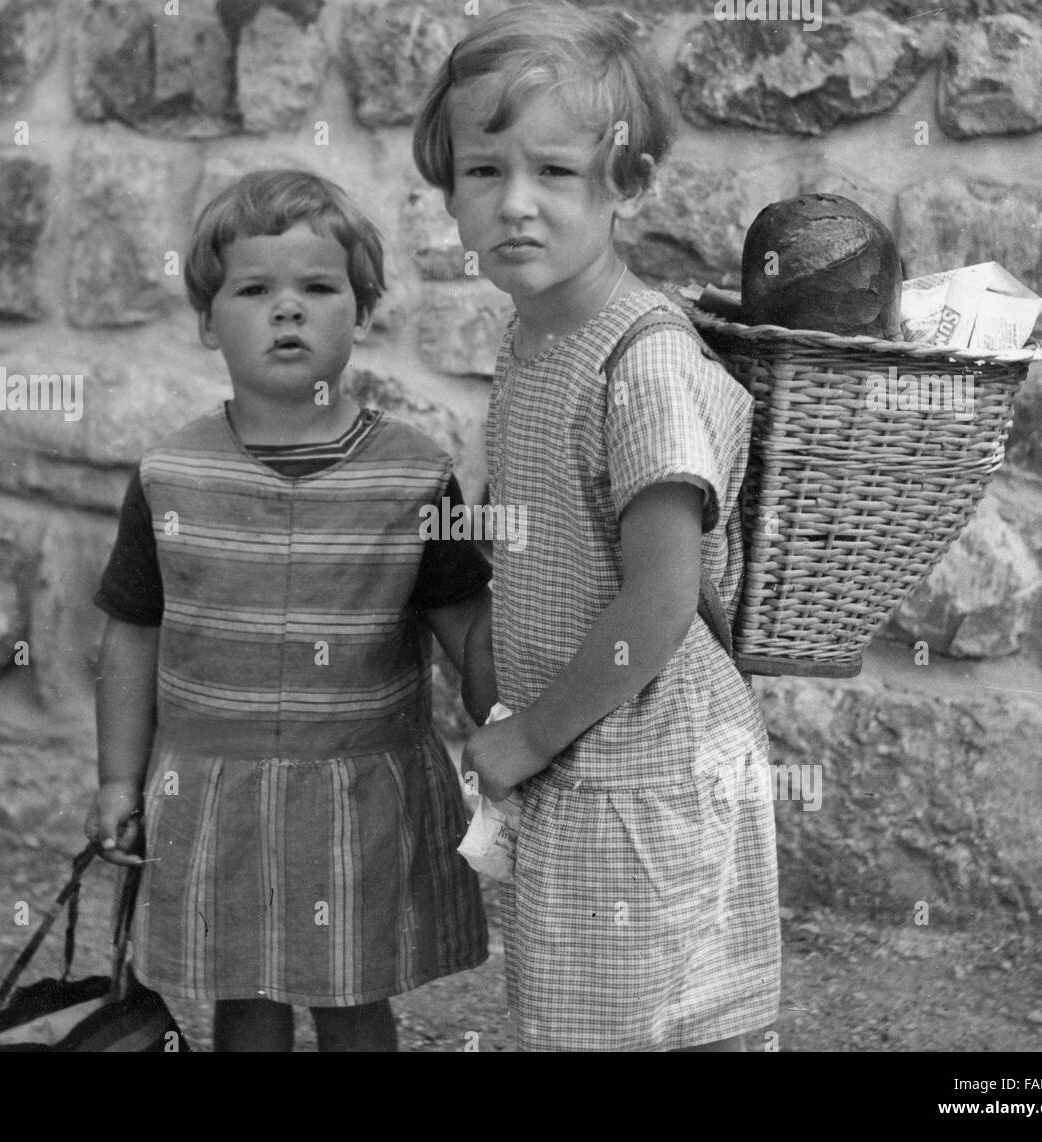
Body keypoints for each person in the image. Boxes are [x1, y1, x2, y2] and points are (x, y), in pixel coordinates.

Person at [412, 2, 780, 1051]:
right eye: (484, 172)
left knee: (640, 1023)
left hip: (651, 762)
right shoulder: (535, 339)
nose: (514, 206)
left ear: (625, 183)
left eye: (555, 173)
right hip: (589, 748)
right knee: (580, 1014)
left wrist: (526, 731)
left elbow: (660, 597)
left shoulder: (644, 363)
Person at [84, 169, 490, 1052]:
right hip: (216, 794)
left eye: (318, 287)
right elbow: (131, 637)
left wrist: (526, 724)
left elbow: (466, 626)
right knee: (246, 997)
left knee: (354, 996)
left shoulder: (416, 474)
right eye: (254, 289)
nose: (288, 311)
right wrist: (119, 778)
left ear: (366, 309)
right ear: (205, 319)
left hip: (361, 797)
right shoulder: (169, 477)